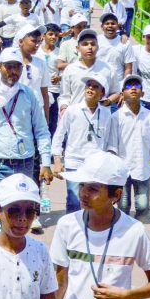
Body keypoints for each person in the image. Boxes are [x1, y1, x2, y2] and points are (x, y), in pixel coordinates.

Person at [52, 150, 150, 299]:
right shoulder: (67, 226)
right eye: (82, 185)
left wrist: (125, 295)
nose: (84, 193)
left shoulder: (134, 231)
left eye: (93, 188)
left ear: (116, 195)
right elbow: (59, 284)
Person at [0, 49, 53, 208]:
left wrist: (45, 163)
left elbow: (42, 131)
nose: (13, 72)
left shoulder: (30, 95)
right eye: (8, 67)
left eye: (17, 67)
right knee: (0, 213)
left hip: (25, 163)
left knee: (21, 214)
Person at [52, 72, 119, 214]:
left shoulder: (106, 114)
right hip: (74, 162)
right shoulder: (72, 111)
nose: (90, 89)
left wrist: (110, 160)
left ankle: (91, 229)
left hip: (96, 164)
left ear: (102, 94)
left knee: (94, 200)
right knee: (74, 200)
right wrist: (57, 160)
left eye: (95, 87)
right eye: (88, 86)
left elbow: (111, 141)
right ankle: (72, 230)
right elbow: (58, 135)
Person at [111, 75, 150, 217]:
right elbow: (112, 148)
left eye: (137, 86)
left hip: (142, 170)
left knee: (144, 207)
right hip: (123, 172)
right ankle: (124, 235)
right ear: (122, 94)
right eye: (128, 86)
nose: (133, 88)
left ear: (143, 93)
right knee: (123, 207)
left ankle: (136, 230)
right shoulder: (116, 118)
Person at [59, 29, 121, 114]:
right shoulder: (70, 69)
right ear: (78, 48)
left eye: (93, 44)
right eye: (85, 44)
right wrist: (64, 108)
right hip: (76, 117)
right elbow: (64, 96)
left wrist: (108, 102)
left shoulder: (108, 68)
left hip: (100, 118)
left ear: (98, 47)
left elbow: (116, 93)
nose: (89, 47)